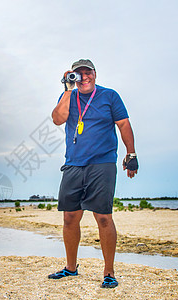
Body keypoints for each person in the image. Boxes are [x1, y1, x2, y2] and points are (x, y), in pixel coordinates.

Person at [48, 59, 138, 288]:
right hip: (74, 163)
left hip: (102, 163)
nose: (84, 77)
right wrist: (67, 90)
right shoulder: (68, 95)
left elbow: (124, 124)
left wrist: (131, 154)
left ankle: (109, 272)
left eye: (87, 73)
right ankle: (70, 268)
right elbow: (57, 119)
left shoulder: (110, 96)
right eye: (78, 74)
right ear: (73, 77)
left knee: (104, 217)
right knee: (70, 217)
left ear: (95, 74)